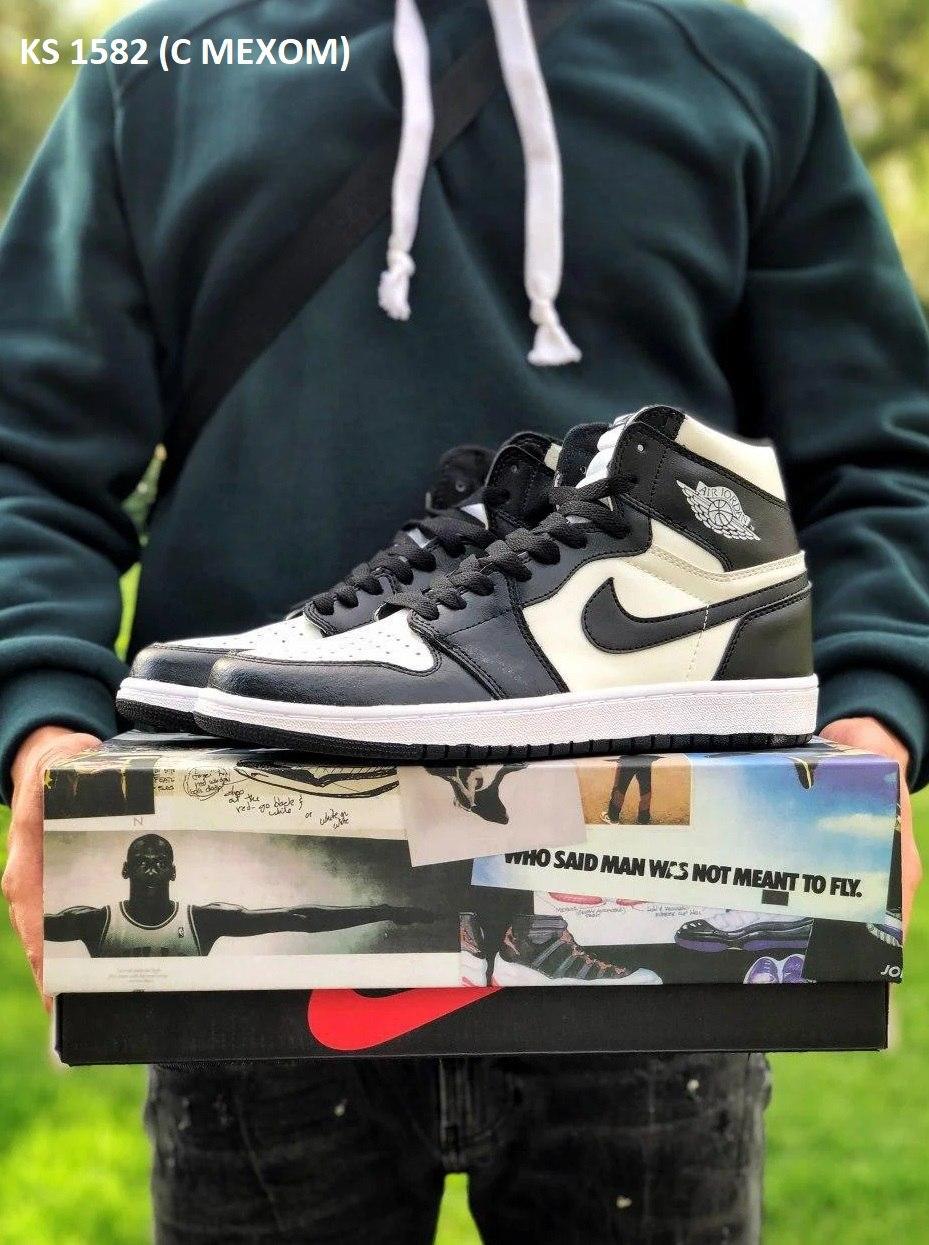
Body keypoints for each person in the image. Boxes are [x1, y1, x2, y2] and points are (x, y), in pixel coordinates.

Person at [2, 1, 925, 1240]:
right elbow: (27, 454)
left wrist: (871, 711)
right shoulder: (157, 75)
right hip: (251, 887)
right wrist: (44, 728)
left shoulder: (744, 78)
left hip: (650, 893)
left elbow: (875, 461)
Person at [44, 832, 433, 957]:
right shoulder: (92, 921)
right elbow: (35, 924)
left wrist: (382, 910)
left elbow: (299, 918)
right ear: (126, 870)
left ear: (173, 872)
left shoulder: (203, 920)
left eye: (159, 861)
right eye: (141, 861)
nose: (150, 868)